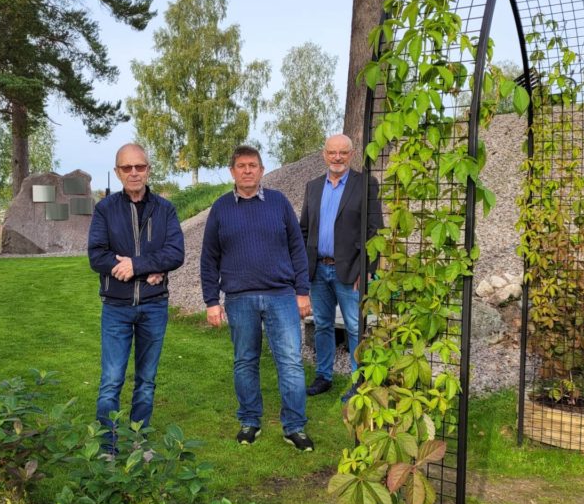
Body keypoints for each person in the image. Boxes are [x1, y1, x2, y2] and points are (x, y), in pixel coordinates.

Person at [200, 145, 314, 451]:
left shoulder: (278, 203)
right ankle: (250, 421)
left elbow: (297, 250)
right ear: (232, 172)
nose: (247, 170)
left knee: (290, 362)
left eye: (253, 165)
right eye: (241, 165)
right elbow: (208, 258)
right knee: (245, 362)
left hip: (281, 296)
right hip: (239, 299)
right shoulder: (221, 208)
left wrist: (302, 292)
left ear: (262, 170)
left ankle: (294, 427)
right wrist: (211, 301)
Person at [88, 143, 184, 454]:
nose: (133, 173)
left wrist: (137, 265)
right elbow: (97, 256)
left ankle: (138, 442)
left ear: (148, 169)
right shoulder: (105, 209)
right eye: (126, 168)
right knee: (111, 380)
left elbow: (175, 253)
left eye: (139, 167)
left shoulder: (165, 210)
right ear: (117, 172)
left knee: (146, 380)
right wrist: (147, 268)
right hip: (116, 307)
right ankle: (108, 447)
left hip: (154, 306)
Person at [299, 134, 383, 400]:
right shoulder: (312, 187)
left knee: (355, 326)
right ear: (324, 154)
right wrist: (302, 269)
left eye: (343, 153)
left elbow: (374, 231)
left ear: (351, 154)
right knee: (322, 324)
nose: (337, 157)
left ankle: (359, 382)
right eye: (332, 152)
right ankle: (324, 376)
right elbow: (303, 230)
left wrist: (367, 268)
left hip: (350, 271)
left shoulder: (366, 184)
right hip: (318, 270)